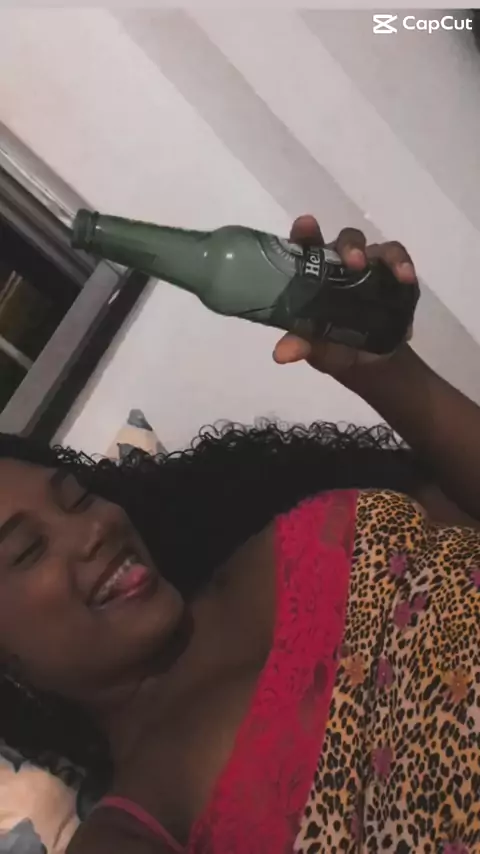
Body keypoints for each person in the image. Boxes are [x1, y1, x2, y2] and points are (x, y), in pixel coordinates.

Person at [0, 217, 478, 854]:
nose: (93, 529)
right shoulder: (136, 829)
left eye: (79, 497)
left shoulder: (288, 531)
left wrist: (387, 372)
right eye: (27, 551)